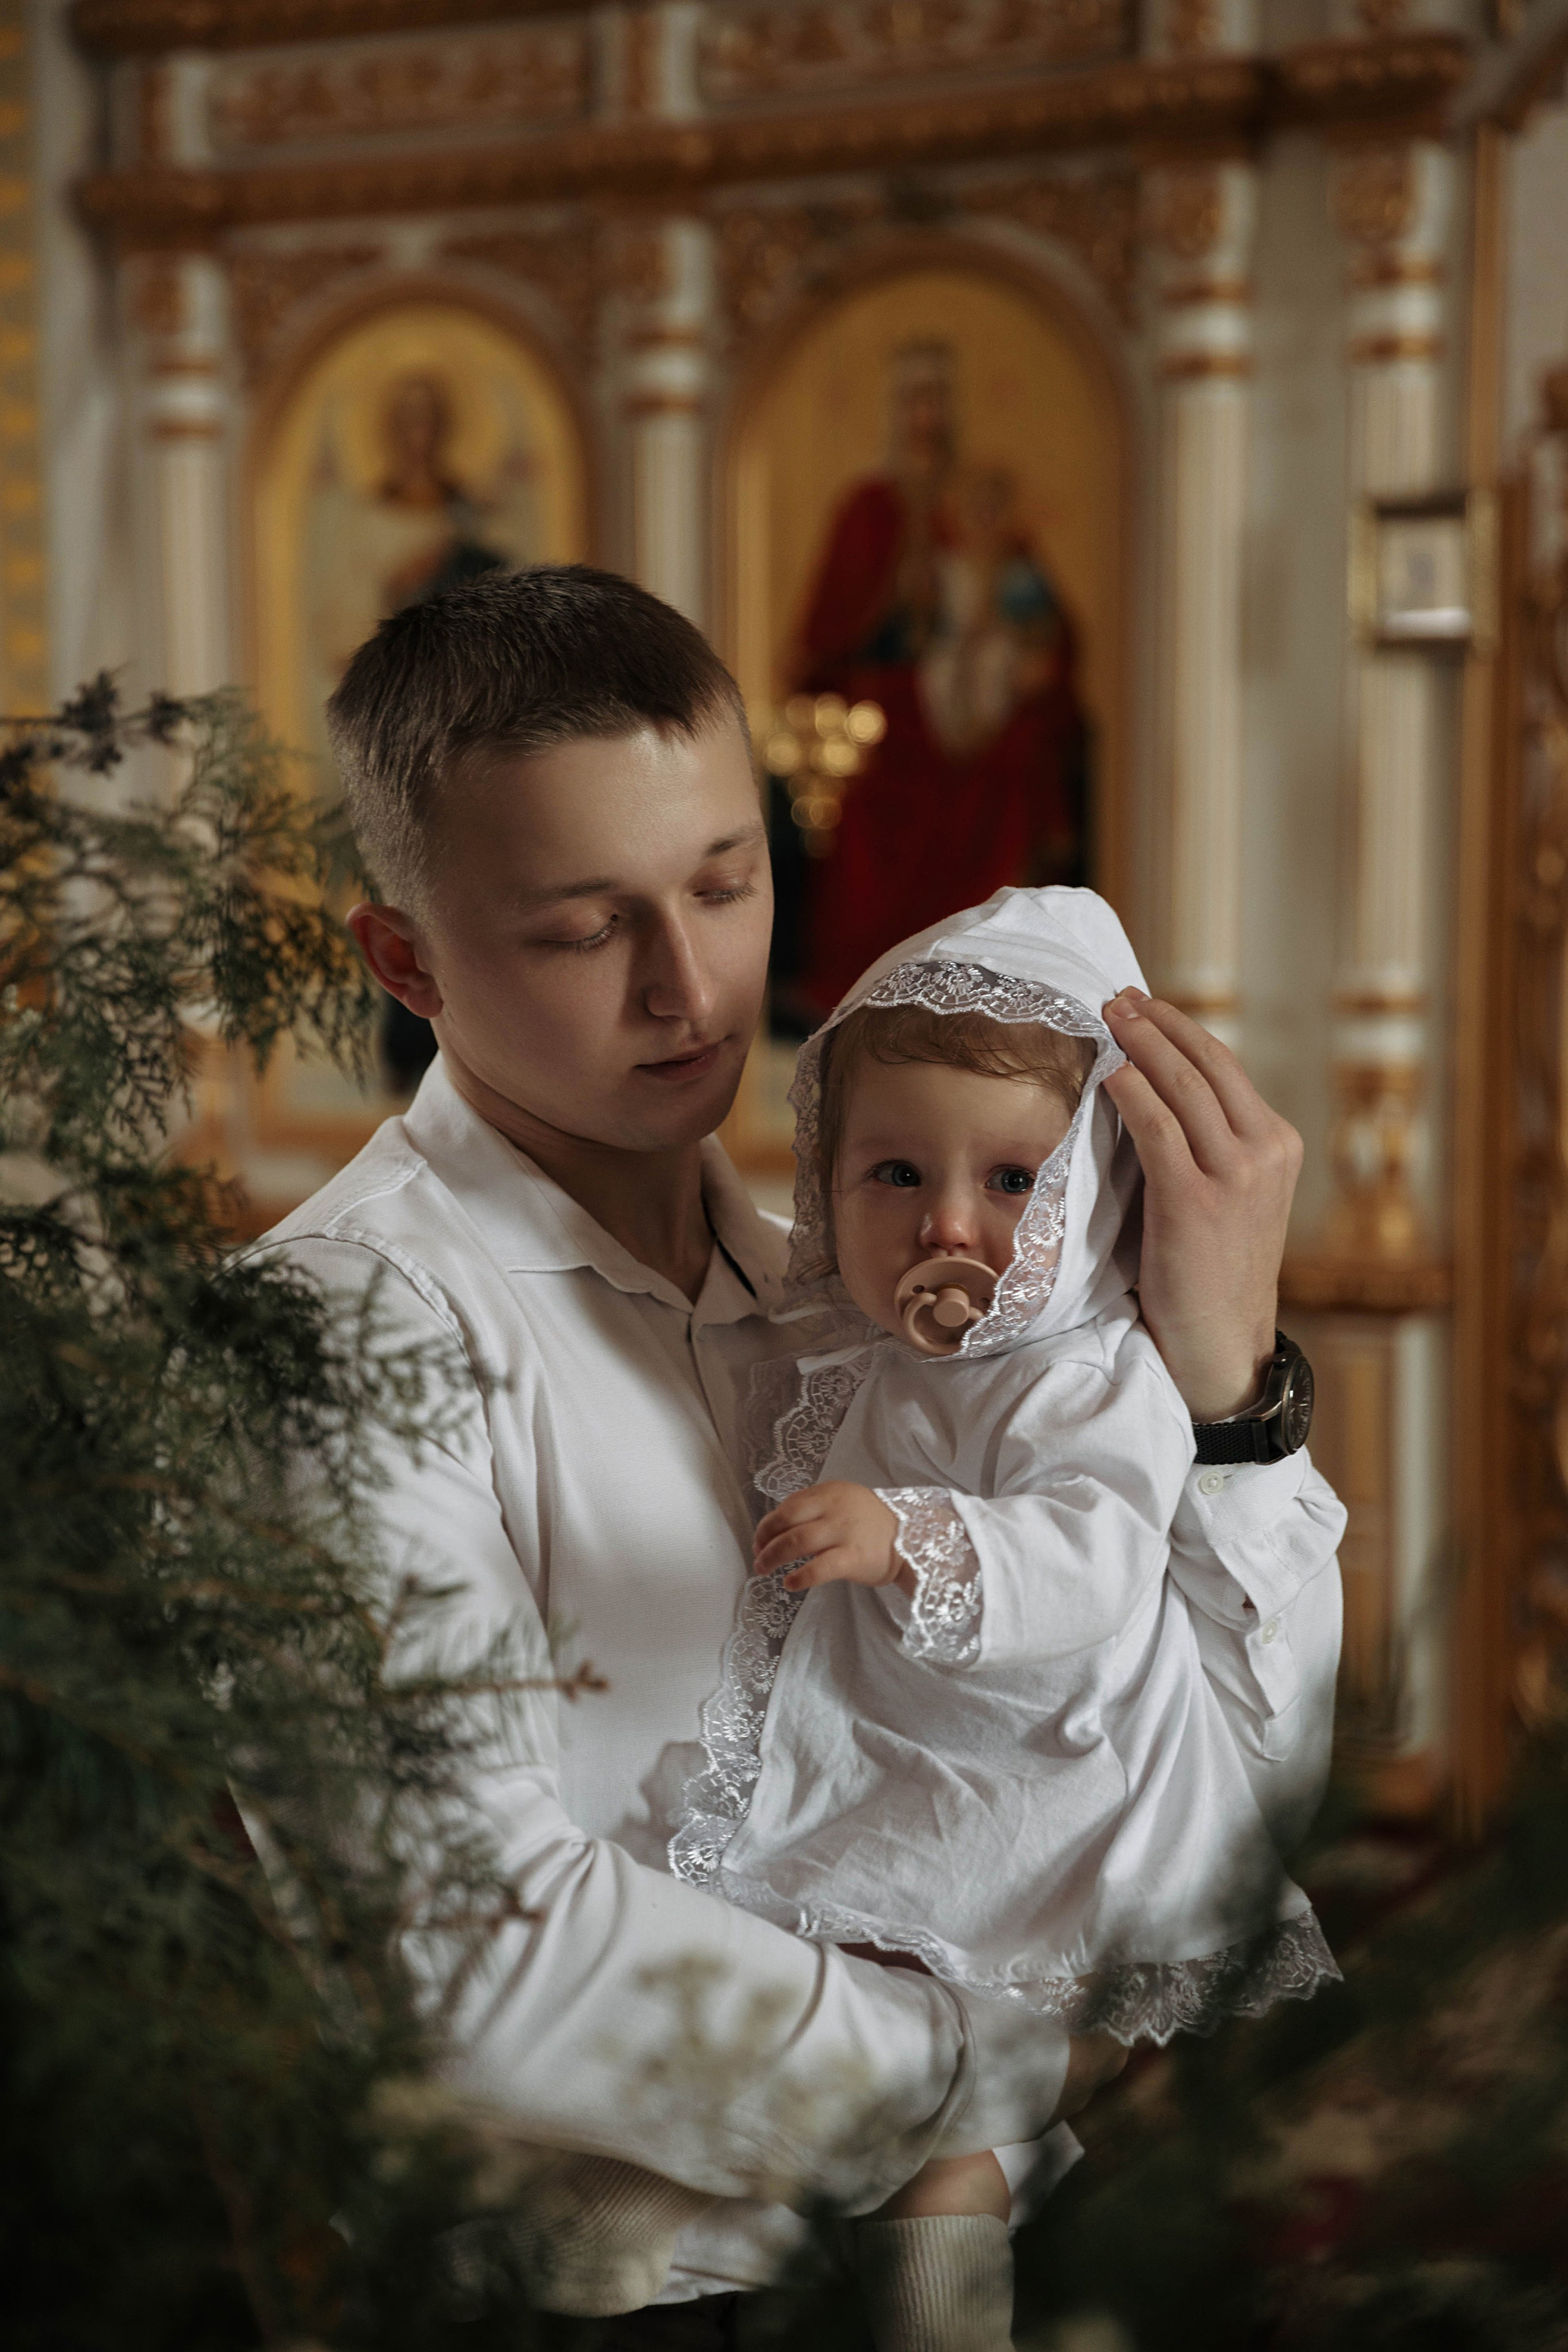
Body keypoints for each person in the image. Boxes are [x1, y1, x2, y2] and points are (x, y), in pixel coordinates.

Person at [255, 566, 1343, 2340]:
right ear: (405, 959)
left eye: (725, 881)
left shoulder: (872, 1302)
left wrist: (1225, 1395)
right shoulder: (333, 1334)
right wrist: (978, 2070)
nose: (690, 988)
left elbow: (1204, 1792)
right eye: (582, 926)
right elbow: (460, 1949)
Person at [771, 343, 1085, 1031]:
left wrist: (1025, 660)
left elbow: (1043, 625)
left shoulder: (984, 512)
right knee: (876, 755)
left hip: (971, 711)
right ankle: (860, 982)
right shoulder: (870, 509)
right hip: (890, 706)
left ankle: (993, 968)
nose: (927, 416)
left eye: (938, 398)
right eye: (914, 398)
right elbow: (824, 639)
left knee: (1018, 750)